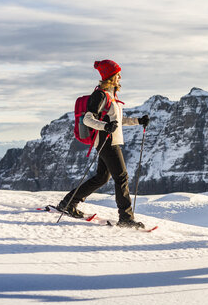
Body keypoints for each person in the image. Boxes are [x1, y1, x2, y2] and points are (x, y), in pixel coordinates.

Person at [57, 59, 150, 228]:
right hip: (106, 142)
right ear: (110, 76)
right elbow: (88, 119)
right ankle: (125, 218)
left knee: (102, 178)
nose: (120, 77)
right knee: (121, 177)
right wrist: (105, 126)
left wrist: (138, 121)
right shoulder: (100, 95)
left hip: (111, 140)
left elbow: (118, 121)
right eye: (117, 74)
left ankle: (68, 203)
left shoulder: (111, 95)